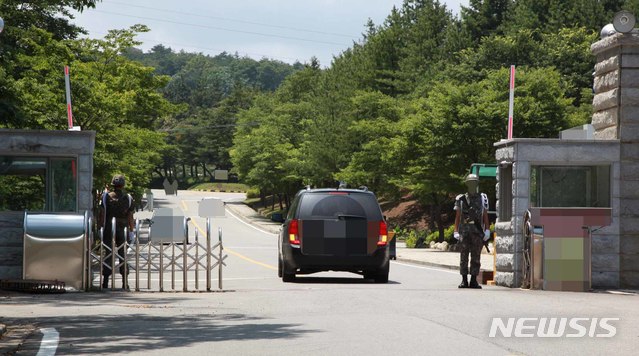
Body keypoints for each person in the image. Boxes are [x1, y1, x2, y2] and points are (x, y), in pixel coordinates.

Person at [453, 174, 490, 289]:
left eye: (474, 183)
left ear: (477, 184)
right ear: (467, 184)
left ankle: (473, 280)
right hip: (464, 232)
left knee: (476, 257)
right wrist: (456, 231)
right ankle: (464, 280)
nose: (472, 185)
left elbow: (485, 215)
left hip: (477, 232)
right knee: (464, 256)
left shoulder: (482, 198)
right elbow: (458, 216)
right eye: (470, 183)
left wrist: (487, 230)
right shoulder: (461, 199)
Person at [100, 174, 135, 289]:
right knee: (123, 255)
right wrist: (131, 229)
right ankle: (125, 282)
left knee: (108, 254)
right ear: (123, 185)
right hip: (123, 229)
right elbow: (130, 216)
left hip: (109, 228)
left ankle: (105, 282)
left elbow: (102, 214)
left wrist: (100, 227)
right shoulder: (128, 198)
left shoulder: (106, 197)